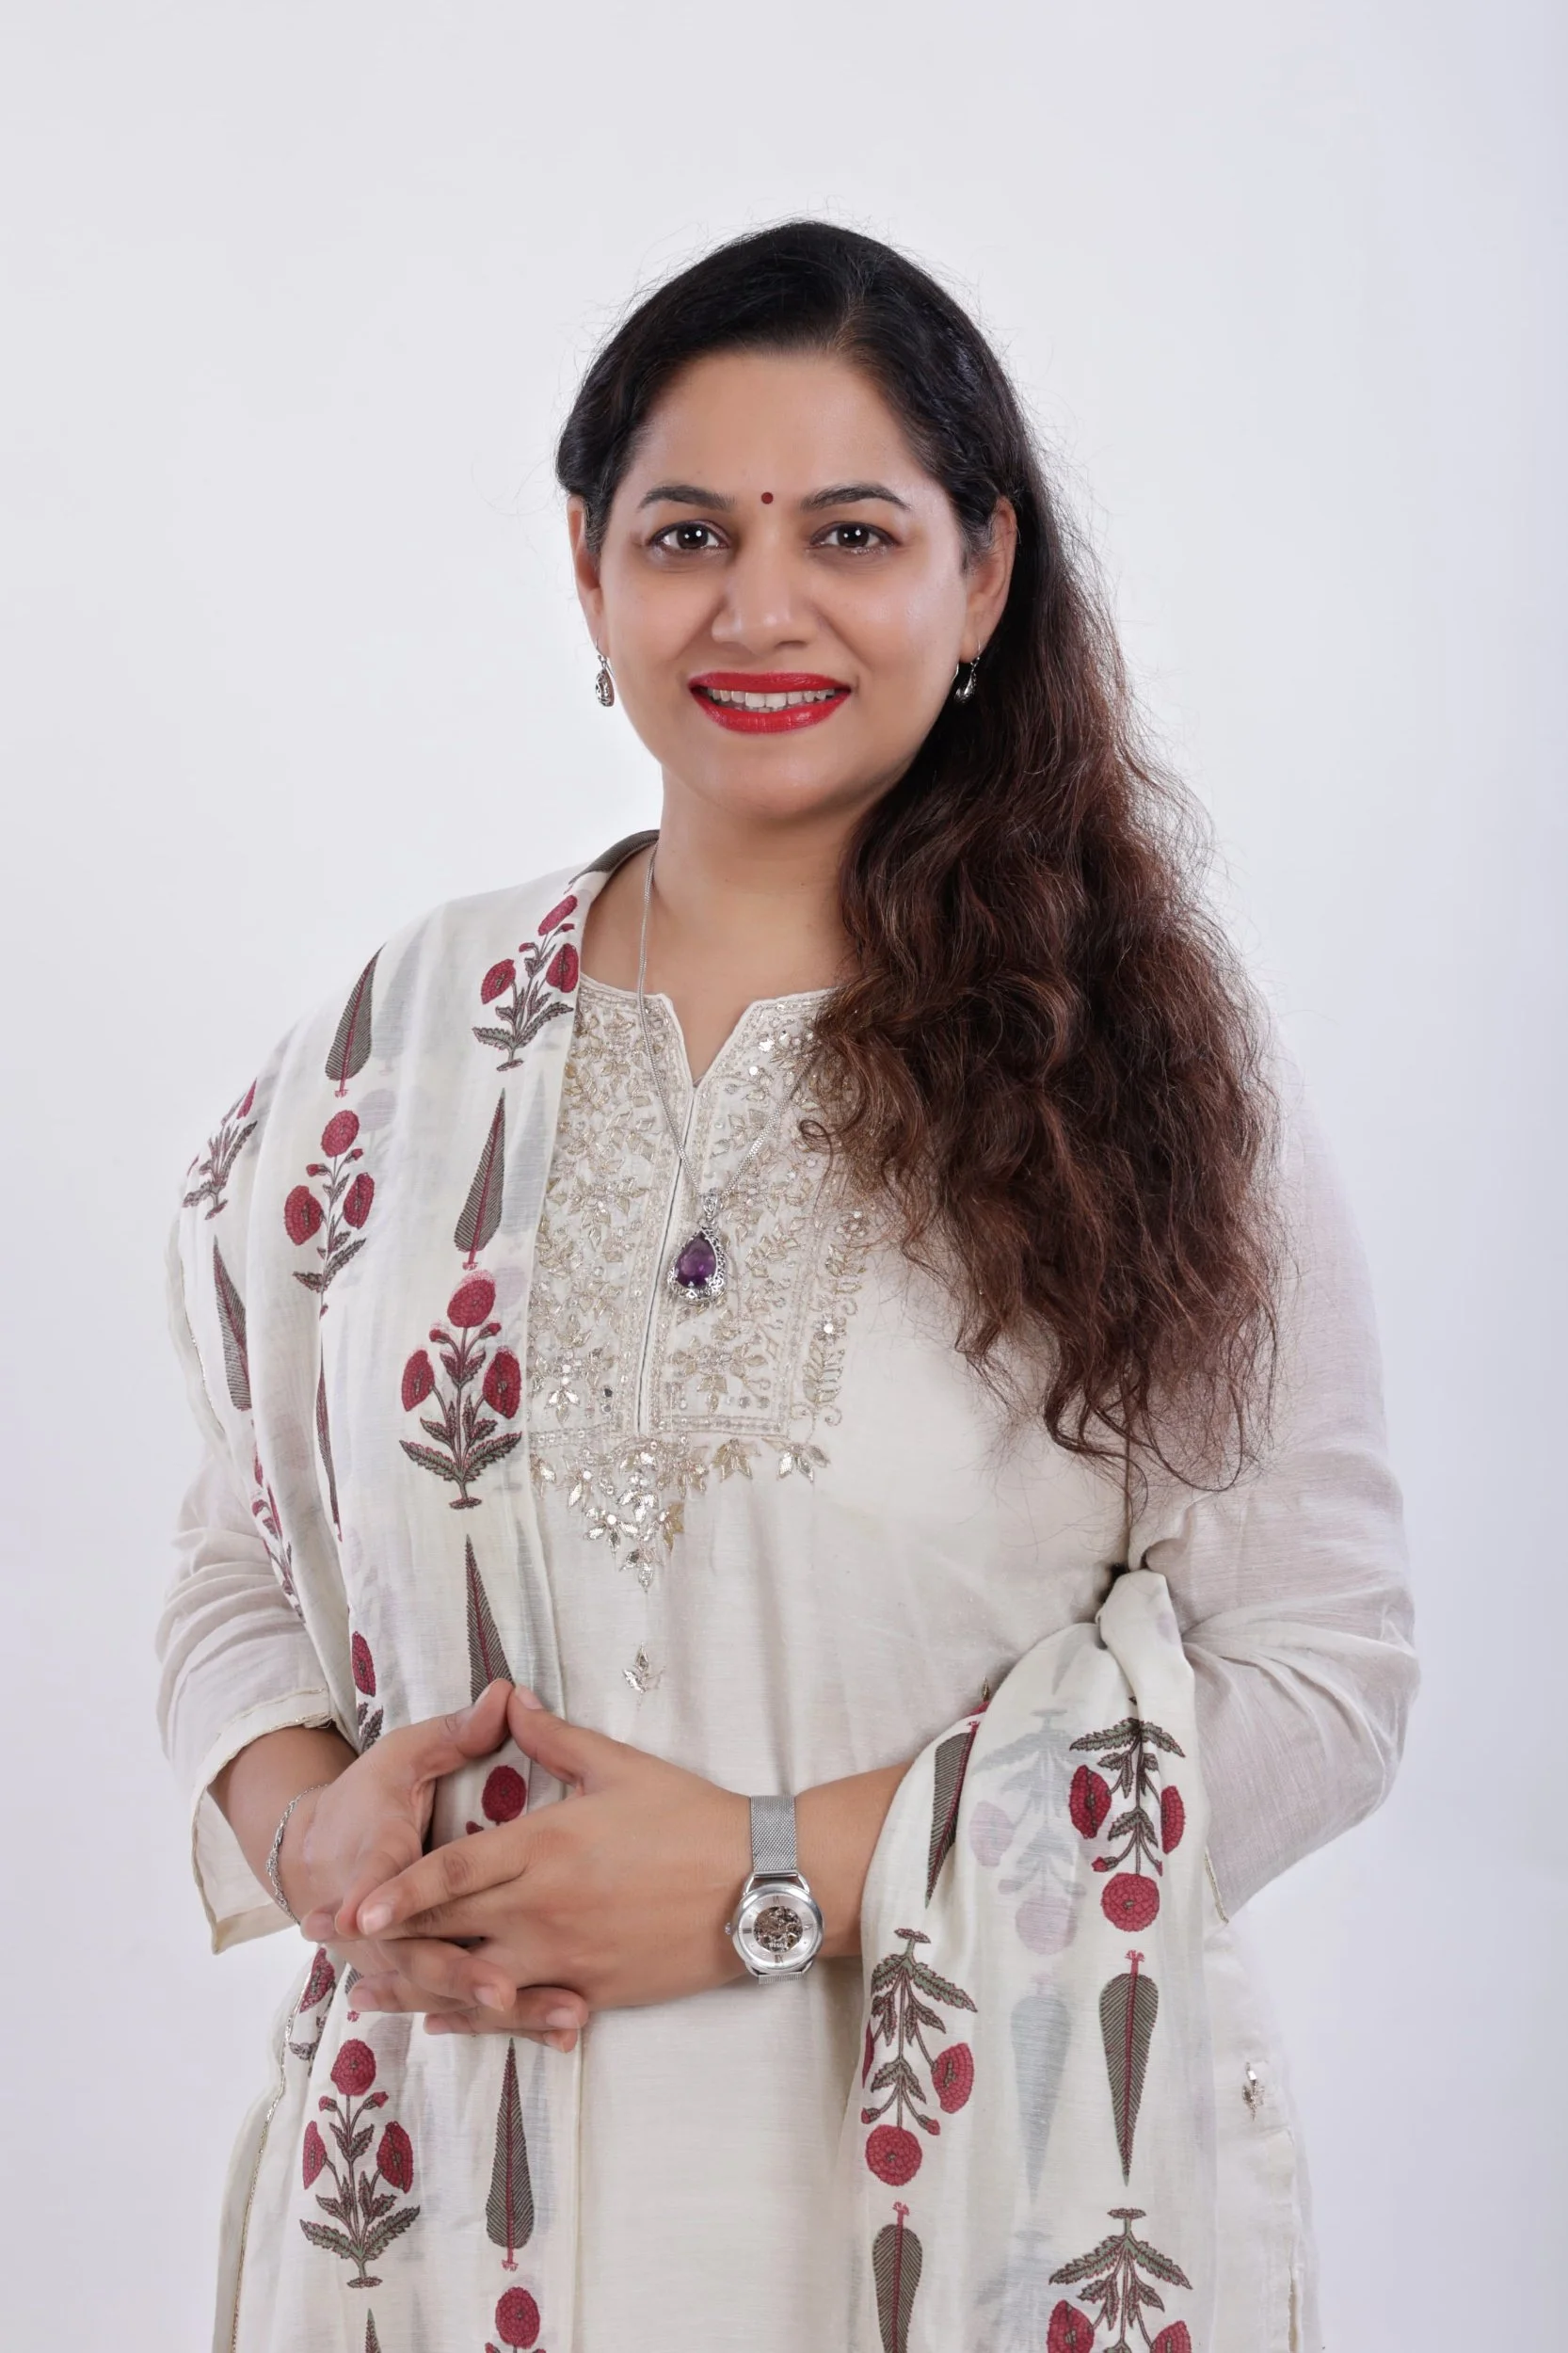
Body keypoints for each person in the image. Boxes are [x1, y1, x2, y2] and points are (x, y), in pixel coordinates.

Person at [157, 221, 1416, 2353]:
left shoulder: (1146, 1068)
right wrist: (305, 1832)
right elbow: (236, 1564)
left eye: (848, 530)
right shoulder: (391, 1043)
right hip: (438, 2222)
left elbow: (1319, 1669)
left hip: (961, 2234)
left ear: (979, 575)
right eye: (684, 536)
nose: (759, 608)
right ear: (587, 574)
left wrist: (774, 1868)